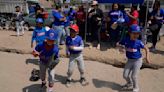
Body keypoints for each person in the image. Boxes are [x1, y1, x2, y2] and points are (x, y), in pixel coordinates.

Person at [117, 24, 150, 92]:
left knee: (134, 76)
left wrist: (147, 58)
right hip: (129, 60)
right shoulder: (126, 40)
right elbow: (118, 44)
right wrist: (120, 48)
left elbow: (146, 48)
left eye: (137, 33)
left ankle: (136, 87)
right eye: (134, 33)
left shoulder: (139, 42)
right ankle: (129, 83)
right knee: (125, 75)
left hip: (137, 61)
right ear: (129, 33)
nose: (136, 35)